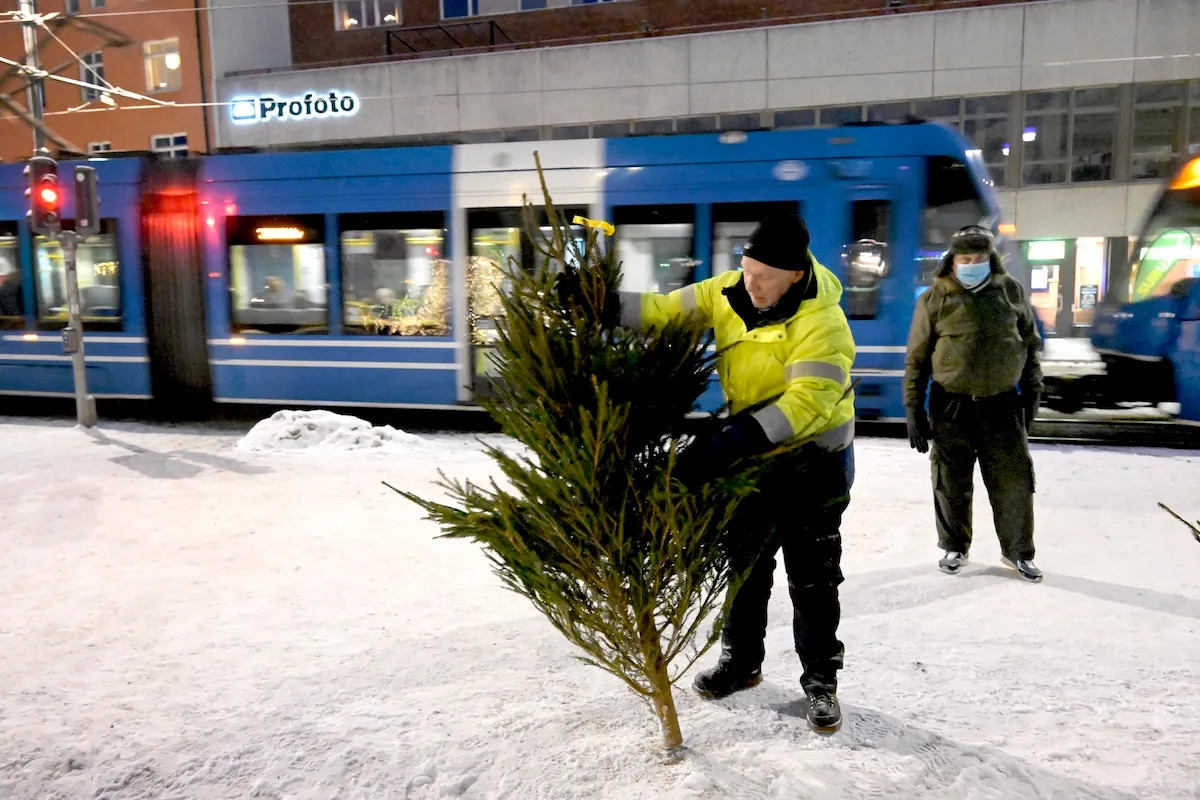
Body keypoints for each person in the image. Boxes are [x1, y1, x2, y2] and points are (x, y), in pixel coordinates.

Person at [560, 214, 856, 733]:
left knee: (812, 577)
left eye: (764, 275)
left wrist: (728, 443)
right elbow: (663, 312)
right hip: (753, 453)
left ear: (794, 275)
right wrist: (601, 302)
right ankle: (741, 664)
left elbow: (807, 404)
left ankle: (821, 681)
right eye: (746, 270)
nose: (751, 283)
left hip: (815, 462)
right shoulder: (727, 291)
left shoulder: (823, 322)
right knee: (744, 567)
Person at [903, 224, 1044, 582]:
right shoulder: (934, 299)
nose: (972, 264)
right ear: (953, 260)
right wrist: (913, 408)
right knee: (950, 482)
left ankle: (1018, 552)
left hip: (1001, 404)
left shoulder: (1010, 291)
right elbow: (917, 359)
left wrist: (1032, 393)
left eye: (979, 258)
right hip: (952, 405)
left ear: (990, 259)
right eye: (965, 258)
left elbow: (1029, 346)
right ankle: (954, 546)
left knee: (1013, 482)